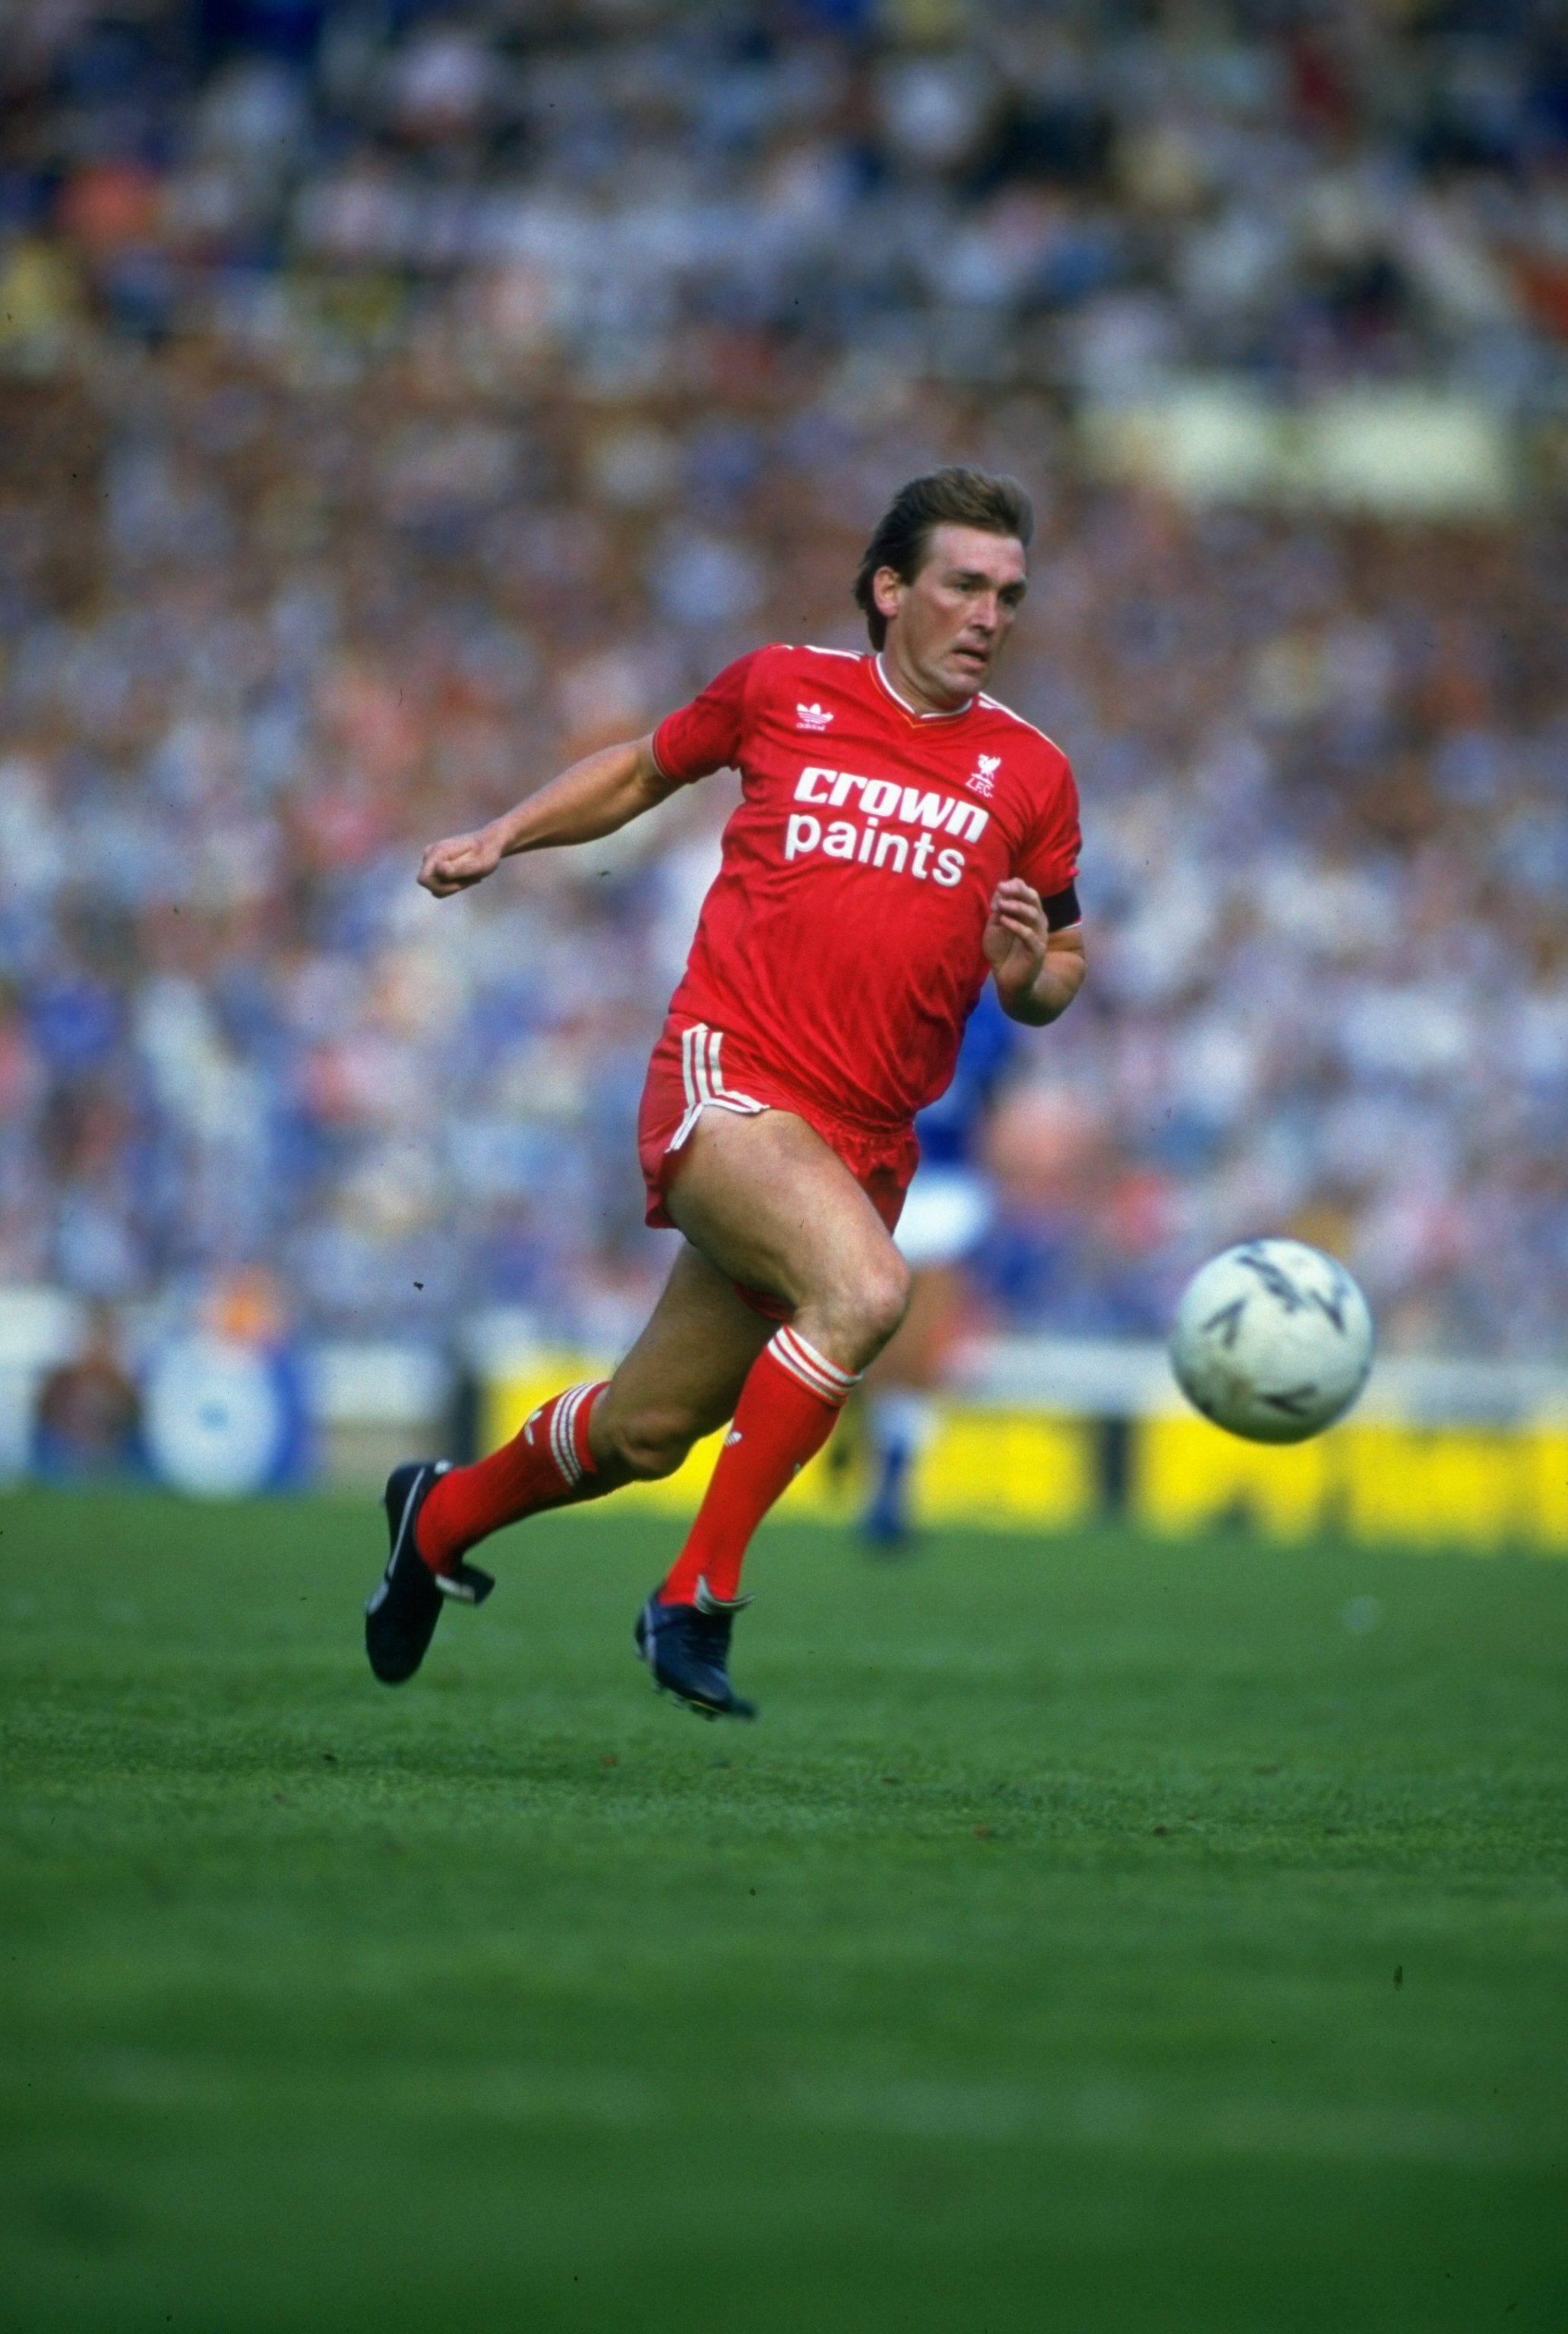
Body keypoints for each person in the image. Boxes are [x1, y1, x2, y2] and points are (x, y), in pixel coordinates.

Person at [365, 466, 1086, 1717]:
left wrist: (1028, 979)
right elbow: (642, 771)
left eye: (1008, 595)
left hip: (863, 1142)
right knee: (867, 1292)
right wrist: (502, 836)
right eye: (964, 585)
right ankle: (694, 1597)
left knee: (647, 1430)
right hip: (731, 1079)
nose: (988, 615)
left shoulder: (1030, 771)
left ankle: (437, 1517)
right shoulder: (781, 688)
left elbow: (1061, 964)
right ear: (889, 588)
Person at [858, 980, 1017, 1548]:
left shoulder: (987, 1018)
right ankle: (883, 1464)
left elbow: (992, 1109)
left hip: (948, 1188)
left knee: (919, 1346)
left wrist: (995, 1185)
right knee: (876, 1340)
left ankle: (892, 1481)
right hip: (880, 1176)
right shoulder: (885, 989)